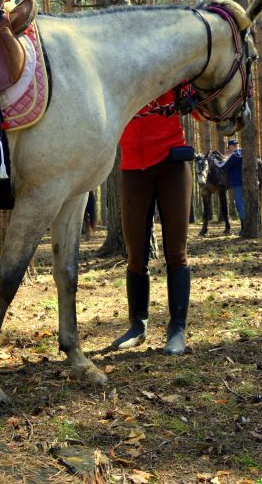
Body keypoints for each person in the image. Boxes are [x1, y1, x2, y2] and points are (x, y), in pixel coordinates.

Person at [111, 89, 194, 356]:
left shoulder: (169, 64)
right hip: (133, 167)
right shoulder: (122, 67)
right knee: (135, 254)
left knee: (176, 253)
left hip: (172, 163)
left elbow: (202, 107)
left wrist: (191, 96)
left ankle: (177, 329)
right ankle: (137, 326)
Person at [216, 139, 244, 223]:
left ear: (231, 146)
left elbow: (222, 166)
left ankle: (244, 227)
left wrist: (215, 161)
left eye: (229, 147)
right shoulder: (244, 152)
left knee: (239, 204)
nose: (229, 149)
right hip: (248, 182)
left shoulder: (234, 155)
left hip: (237, 182)